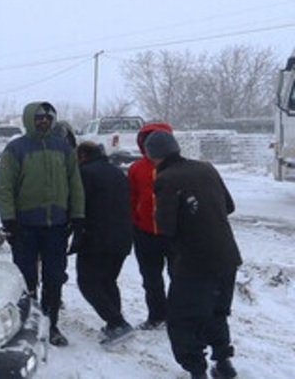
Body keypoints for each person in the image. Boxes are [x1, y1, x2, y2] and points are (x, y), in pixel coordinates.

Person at [145, 130, 242, 379]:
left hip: (194, 262)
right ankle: (223, 363)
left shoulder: (166, 178)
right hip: (227, 257)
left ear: (152, 156)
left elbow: (166, 227)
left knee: (182, 319)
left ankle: (197, 371)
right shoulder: (206, 168)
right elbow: (229, 206)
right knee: (217, 312)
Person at [0, 101, 85, 347]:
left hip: (56, 226)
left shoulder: (63, 148)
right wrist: (9, 220)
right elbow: (4, 187)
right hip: (25, 226)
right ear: (29, 119)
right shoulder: (16, 149)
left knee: (54, 278)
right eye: (38, 117)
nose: (43, 121)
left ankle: (51, 324)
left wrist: (77, 216)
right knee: (26, 279)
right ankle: (26, 323)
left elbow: (74, 183)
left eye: (47, 117)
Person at [72, 141, 135, 347]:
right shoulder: (116, 172)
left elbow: (79, 205)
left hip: (97, 238)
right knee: (108, 281)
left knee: (88, 282)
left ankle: (118, 324)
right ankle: (113, 324)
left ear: (82, 155)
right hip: (123, 236)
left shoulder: (84, 174)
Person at [128, 121, 177, 330]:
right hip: (145, 232)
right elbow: (131, 198)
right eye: (147, 140)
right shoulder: (137, 168)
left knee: (179, 277)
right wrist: (133, 222)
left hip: (174, 234)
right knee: (151, 279)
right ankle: (156, 315)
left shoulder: (179, 167)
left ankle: (177, 316)